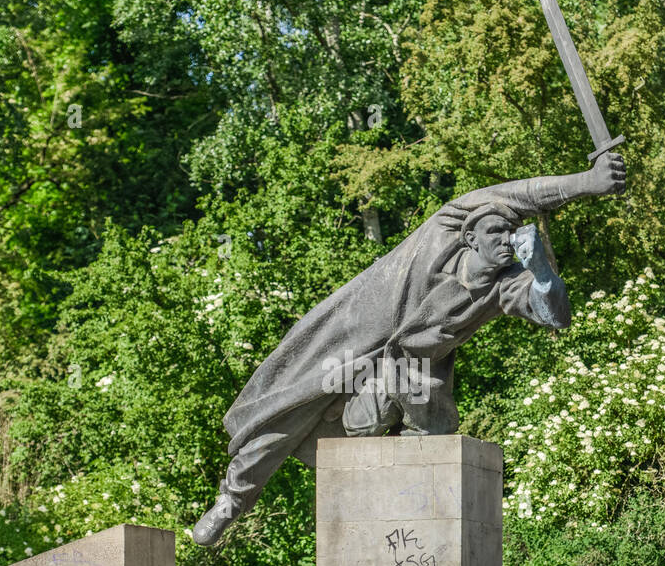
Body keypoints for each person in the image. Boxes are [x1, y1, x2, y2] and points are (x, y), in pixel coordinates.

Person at [192, 154, 627, 546]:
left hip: (410, 376)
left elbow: (555, 315)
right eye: (496, 231)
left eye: (510, 234)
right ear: (470, 237)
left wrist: (542, 269)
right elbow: (525, 194)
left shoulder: (505, 284)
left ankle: (401, 525)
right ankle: (232, 502)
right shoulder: (443, 228)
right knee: (286, 411)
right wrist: (588, 182)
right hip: (349, 339)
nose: (505, 239)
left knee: (397, 431)